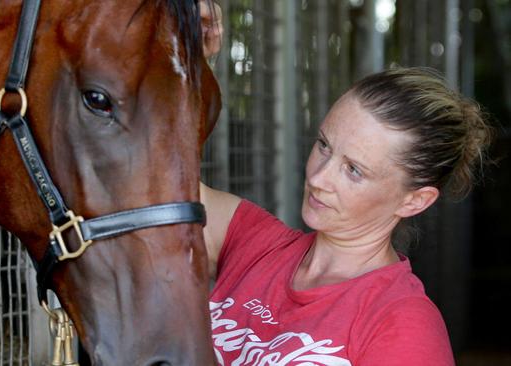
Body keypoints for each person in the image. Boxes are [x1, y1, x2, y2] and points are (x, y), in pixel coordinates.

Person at [198, 4, 493, 365]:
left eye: (354, 170)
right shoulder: (254, 242)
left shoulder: (403, 327)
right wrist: (189, 59)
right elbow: (150, 181)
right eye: (324, 145)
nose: (318, 178)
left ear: (414, 201)